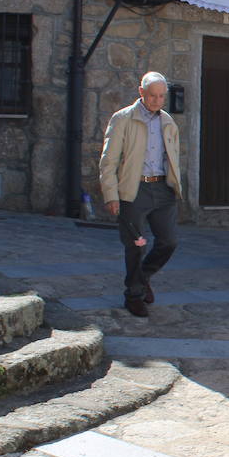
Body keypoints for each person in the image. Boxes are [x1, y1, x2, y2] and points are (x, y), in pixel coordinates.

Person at [98, 71, 182, 317]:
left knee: (169, 241)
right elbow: (108, 160)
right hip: (134, 190)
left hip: (162, 189)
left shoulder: (168, 121)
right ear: (141, 92)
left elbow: (173, 156)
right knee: (136, 244)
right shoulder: (123, 118)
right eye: (152, 96)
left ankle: (141, 277)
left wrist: (176, 184)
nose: (157, 101)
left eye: (161, 96)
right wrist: (111, 194)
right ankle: (133, 295)